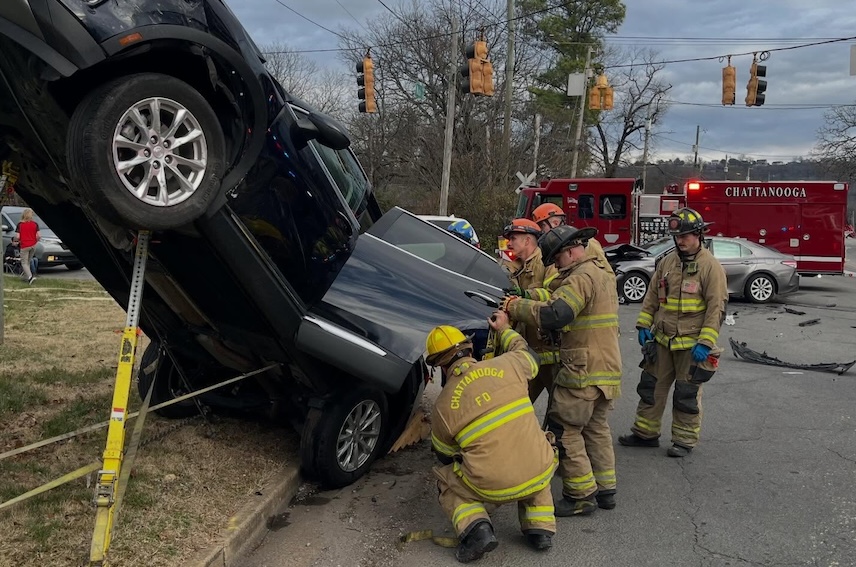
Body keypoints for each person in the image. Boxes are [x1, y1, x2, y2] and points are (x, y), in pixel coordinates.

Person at [504, 225, 622, 516]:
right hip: (605, 368)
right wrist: (525, 293)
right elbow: (553, 293)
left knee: (563, 430)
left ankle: (580, 495)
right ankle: (606, 491)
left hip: (582, 369)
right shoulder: (598, 273)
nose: (555, 265)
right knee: (595, 429)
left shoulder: (580, 277)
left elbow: (557, 313)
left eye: (557, 259)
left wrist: (515, 307)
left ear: (571, 251)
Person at [427, 314, 558, 563]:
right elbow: (530, 354)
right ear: (469, 349)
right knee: (537, 452)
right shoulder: (509, 364)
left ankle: (477, 529)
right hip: (539, 469)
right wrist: (505, 329)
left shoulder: (443, 406)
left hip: (491, 485)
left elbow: (444, 455)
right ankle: (540, 528)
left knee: (446, 480)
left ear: (442, 367)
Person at [618, 207, 727, 458]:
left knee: (686, 394)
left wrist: (706, 342)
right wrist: (644, 325)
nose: (680, 241)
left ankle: (684, 441)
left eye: (685, 236)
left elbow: (716, 308)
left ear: (699, 234)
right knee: (650, 388)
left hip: (691, 346)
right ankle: (645, 434)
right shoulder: (668, 262)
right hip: (662, 340)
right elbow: (653, 296)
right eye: (677, 237)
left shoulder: (710, 267)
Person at [499, 218, 559, 402]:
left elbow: (553, 296)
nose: (509, 243)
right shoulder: (514, 266)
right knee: (517, 403)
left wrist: (525, 294)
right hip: (526, 352)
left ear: (527, 240)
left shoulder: (547, 263)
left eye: (514, 238)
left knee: (560, 409)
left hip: (548, 351)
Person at [531, 203, 614, 275]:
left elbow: (607, 273)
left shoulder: (588, 243)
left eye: (542, 226)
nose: (541, 231)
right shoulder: (553, 248)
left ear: (555, 223)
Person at [16, 208, 40, 284]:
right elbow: (39, 236)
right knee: (28, 261)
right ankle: (26, 277)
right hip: (33, 245)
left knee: (24, 262)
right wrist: (35, 241)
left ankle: (30, 277)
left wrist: (19, 240)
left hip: (24, 245)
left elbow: (17, 237)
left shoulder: (20, 225)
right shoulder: (35, 224)